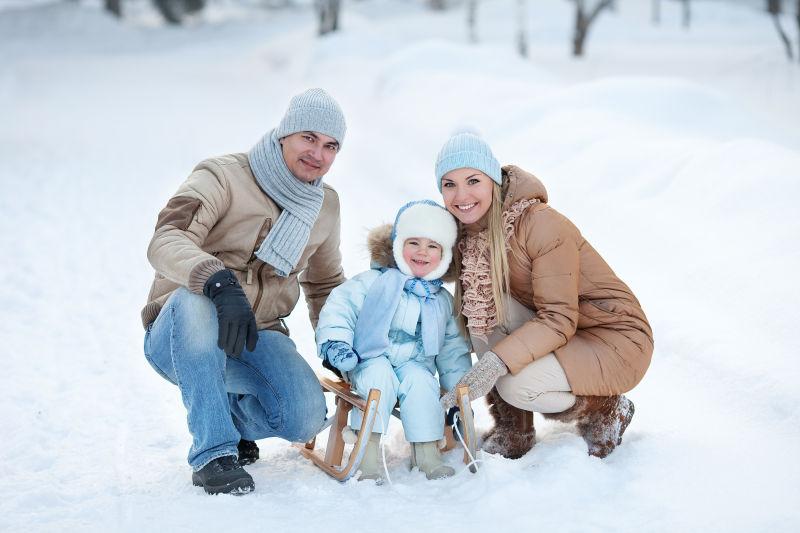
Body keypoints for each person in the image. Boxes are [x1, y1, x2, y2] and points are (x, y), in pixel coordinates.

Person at [141, 88, 347, 494]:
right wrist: (217, 281)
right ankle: (213, 454)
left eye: (330, 146)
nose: (318, 154)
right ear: (284, 133)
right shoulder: (222, 176)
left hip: (256, 333)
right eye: (308, 137)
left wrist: (341, 340)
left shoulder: (325, 206)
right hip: (184, 332)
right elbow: (166, 239)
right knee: (198, 299)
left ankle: (228, 419)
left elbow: (324, 284)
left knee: (303, 416)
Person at [437, 132, 653, 459]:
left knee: (517, 384)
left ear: (493, 180)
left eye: (472, 180)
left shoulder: (540, 224)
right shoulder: (473, 231)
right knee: (479, 306)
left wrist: (496, 363)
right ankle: (514, 430)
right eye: (449, 184)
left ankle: (606, 407)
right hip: (565, 329)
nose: (461, 195)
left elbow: (559, 318)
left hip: (613, 337)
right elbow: (425, 255)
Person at [316, 200, 472, 481]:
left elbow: (452, 348)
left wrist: (458, 388)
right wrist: (337, 343)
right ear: (397, 247)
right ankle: (367, 454)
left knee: (423, 384)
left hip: (415, 363)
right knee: (379, 378)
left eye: (433, 246)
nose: (422, 252)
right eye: (414, 242)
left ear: (445, 255)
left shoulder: (442, 301)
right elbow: (341, 308)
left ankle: (427, 454)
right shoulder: (373, 281)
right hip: (369, 356)